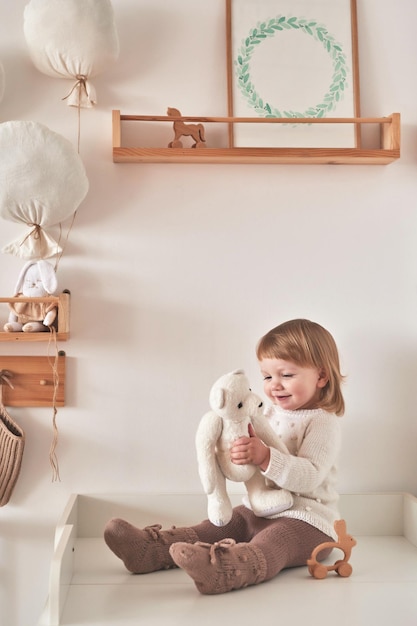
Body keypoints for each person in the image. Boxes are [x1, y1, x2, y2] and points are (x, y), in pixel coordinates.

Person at [104, 318, 345, 595]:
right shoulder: (265, 412)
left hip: (309, 520)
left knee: (275, 539)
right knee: (223, 524)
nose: (274, 386)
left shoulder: (322, 422)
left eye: (287, 375)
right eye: (267, 377)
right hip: (262, 506)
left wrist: (266, 457)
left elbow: (310, 476)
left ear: (322, 377)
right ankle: (150, 549)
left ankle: (226, 569)